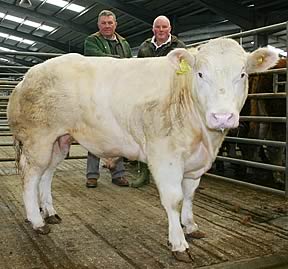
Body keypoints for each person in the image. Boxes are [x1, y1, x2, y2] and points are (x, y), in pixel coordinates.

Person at [132, 15, 186, 187]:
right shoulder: (145, 47)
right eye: (158, 27)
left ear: (170, 29)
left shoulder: (179, 47)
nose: (161, 30)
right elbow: (139, 71)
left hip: (170, 96)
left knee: (171, 135)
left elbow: (184, 71)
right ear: (153, 29)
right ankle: (144, 173)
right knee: (146, 133)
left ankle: (170, 175)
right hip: (148, 96)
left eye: (164, 27)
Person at [83, 10, 132, 188]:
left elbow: (130, 65)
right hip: (98, 93)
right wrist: (120, 62)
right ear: (98, 25)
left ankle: (118, 174)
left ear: (115, 24)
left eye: (110, 23)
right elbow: (95, 58)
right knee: (94, 132)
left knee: (118, 133)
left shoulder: (124, 42)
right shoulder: (91, 41)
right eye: (103, 23)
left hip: (118, 94)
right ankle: (92, 175)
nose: (107, 26)